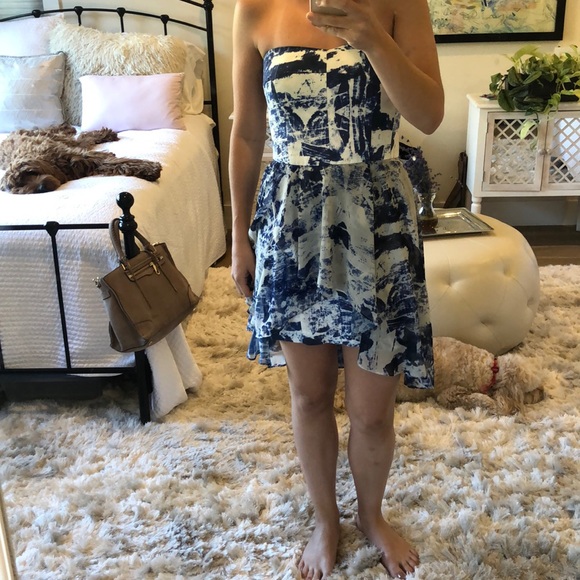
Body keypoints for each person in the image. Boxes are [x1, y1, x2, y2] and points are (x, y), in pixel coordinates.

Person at [229, 1, 444, 578]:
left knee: (373, 411)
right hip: (293, 225)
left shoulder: (400, 4)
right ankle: (326, 521)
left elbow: (429, 115)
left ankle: (371, 516)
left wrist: (373, 37)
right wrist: (239, 235)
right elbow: (246, 132)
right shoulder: (254, 8)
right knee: (310, 395)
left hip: (377, 222)